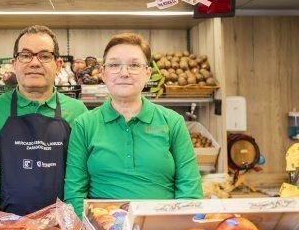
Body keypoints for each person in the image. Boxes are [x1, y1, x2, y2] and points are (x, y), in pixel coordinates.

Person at [64, 32, 202, 217]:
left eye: (134, 65)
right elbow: (74, 192)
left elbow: (190, 189)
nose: (124, 73)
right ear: (103, 73)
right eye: (114, 65)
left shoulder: (173, 122)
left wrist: (174, 228)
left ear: (148, 73)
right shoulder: (85, 124)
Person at [0, 25, 87, 214]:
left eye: (45, 56)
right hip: (7, 229)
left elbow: (81, 179)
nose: (35, 63)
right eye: (26, 55)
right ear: (14, 63)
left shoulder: (78, 111)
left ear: (59, 64)